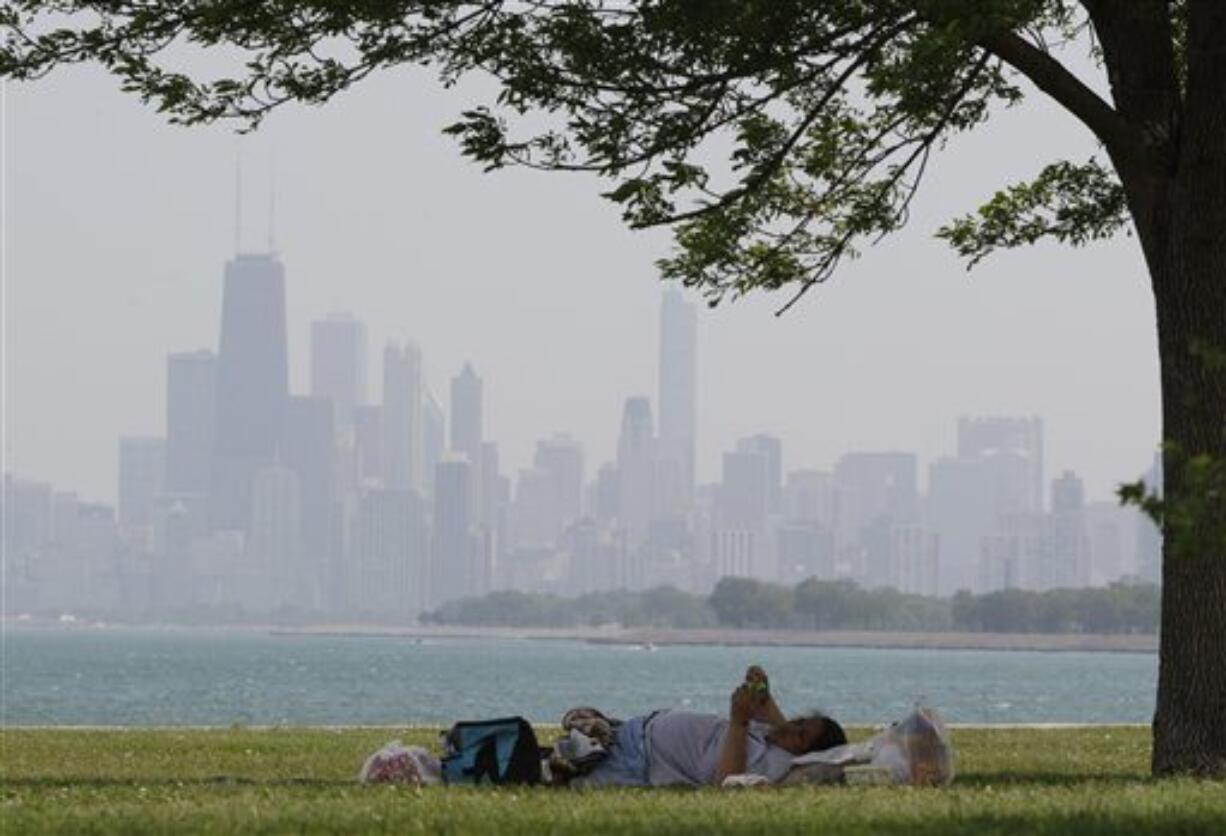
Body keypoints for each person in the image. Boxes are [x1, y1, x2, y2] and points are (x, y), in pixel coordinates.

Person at [577, 666, 847, 788]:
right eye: (799, 721)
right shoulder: (775, 736)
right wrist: (762, 689)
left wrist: (739, 721)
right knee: (573, 750)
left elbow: (729, 779)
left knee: (562, 773)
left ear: (805, 753)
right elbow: (773, 715)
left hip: (638, 759)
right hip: (637, 734)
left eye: (801, 734)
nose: (791, 727)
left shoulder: (776, 763)